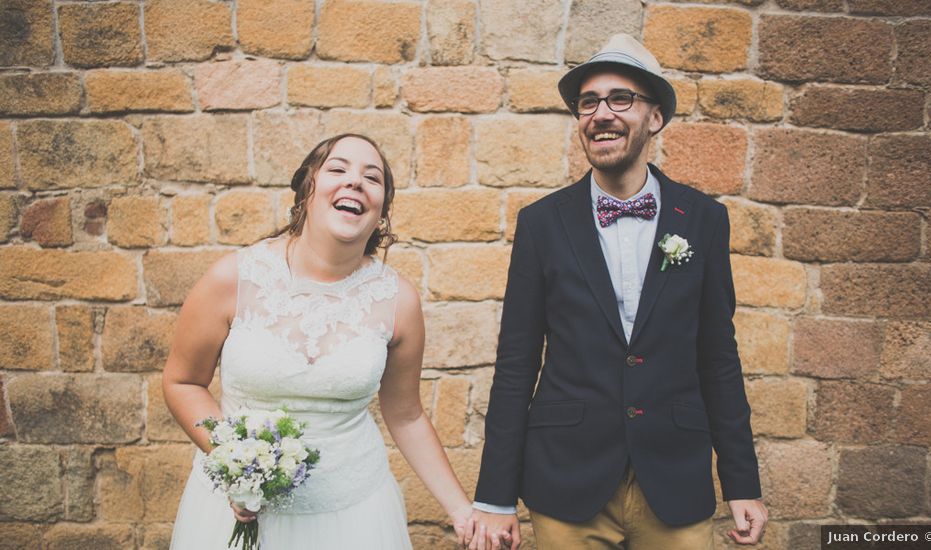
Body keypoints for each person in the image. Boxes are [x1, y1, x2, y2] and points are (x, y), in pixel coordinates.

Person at [467, 35, 768, 550]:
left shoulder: (704, 220)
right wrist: (495, 498)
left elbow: (718, 357)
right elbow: (516, 361)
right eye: (589, 102)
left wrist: (742, 482)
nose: (601, 113)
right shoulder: (541, 224)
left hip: (675, 480)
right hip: (567, 482)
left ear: (655, 117)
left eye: (620, 99)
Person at [164, 134, 474, 549]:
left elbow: (406, 415)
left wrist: (463, 512)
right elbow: (182, 382)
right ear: (307, 188)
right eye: (338, 169)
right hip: (234, 514)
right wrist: (234, 462)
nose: (355, 182)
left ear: (381, 211)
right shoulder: (233, 278)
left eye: (372, 177)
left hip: (354, 516)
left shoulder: (397, 300)